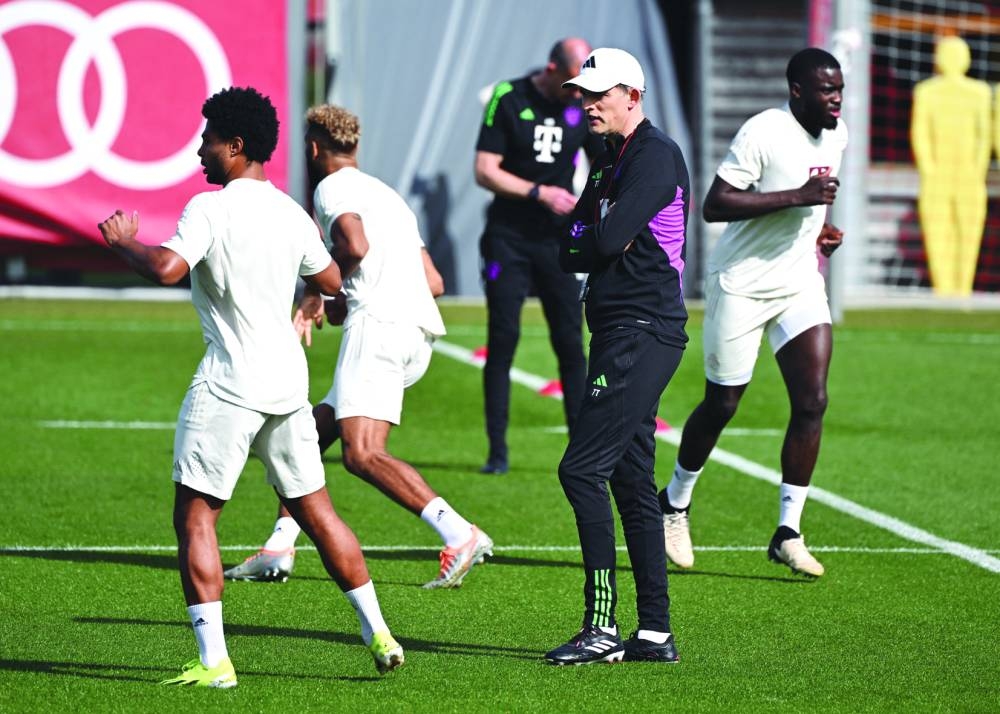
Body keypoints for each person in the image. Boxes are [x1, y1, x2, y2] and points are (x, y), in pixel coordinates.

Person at [97, 87, 403, 687]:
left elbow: (167, 268)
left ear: (236, 146)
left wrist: (124, 242)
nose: (199, 150)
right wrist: (310, 289)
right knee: (318, 512)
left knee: (196, 517)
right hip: (287, 386)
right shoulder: (291, 212)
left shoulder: (210, 209)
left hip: (229, 384)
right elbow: (334, 278)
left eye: (208, 139)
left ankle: (214, 661)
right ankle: (381, 633)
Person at [224, 104, 493, 590]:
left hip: (381, 328)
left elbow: (354, 245)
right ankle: (279, 547)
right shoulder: (389, 196)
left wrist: (320, 292)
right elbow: (433, 281)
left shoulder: (331, 187)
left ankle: (458, 532)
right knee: (306, 436)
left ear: (313, 148)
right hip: (414, 332)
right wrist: (348, 299)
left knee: (362, 453)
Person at [657, 47, 848, 579]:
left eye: (839, 89)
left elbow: (816, 199)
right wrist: (798, 198)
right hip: (740, 283)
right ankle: (673, 502)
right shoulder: (763, 131)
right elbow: (715, 204)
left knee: (813, 400)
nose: (836, 98)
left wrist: (821, 228)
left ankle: (788, 531)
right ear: (797, 91)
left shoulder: (837, 134)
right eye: (827, 89)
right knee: (723, 403)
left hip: (798, 283)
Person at [544, 48, 689, 665]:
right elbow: (571, 246)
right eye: (584, 92)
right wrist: (598, 234)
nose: (588, 102)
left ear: (633, 94)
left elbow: (598, 239)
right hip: (617, 328)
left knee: (581, 471)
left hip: (641, 330)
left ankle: (601, 627)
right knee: (630, 480)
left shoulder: (654, 155)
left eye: (599, 93)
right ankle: (654, 633)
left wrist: (599, 234)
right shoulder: (609, 158)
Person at [474, 37, 604, 474]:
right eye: (572, 83)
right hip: (508, 238)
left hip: (556, 241)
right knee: (503, 339)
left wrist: (592, 204)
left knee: (570, 341)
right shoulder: (508, 97)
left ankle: (581, 450)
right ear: (551, 70)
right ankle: (497, 452)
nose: (579, 93)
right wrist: (538, 192)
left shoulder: (582, 106)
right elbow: (485, 169)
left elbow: (603, 161)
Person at [911, 35, 990, 297]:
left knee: (968, 234)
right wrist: (929, 169)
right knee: (937, 233)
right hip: (938, 176)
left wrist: (976, 169)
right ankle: (943, 290)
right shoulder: (926, 92)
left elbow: (983, 134)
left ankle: (962, 289)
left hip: (968, 175)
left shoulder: (979, 93)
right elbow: (920, 132)